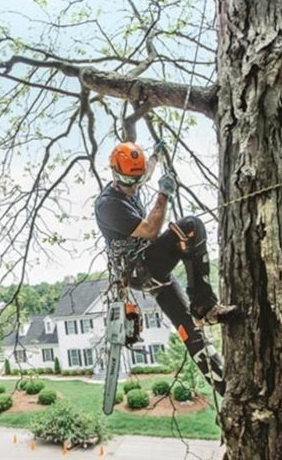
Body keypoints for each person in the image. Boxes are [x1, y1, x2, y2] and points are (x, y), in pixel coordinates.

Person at [95, 141, 240, 394]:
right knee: (190, 226)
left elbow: (146, 171)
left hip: (152, 270)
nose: (134, 187)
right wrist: (164, 194)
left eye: (137, 181)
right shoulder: (109, 205)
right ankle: (205, 305)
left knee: (188, 329)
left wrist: (156, 155)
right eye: (128, 181)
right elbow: (151, 231)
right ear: (114, 175)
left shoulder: (132, 179)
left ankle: (225, 389)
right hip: (140, 268)